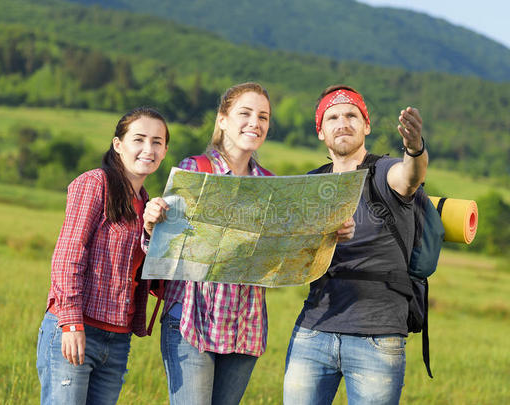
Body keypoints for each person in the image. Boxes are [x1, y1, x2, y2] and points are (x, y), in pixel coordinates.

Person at [143, 82, 355, 405]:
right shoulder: (196, 170)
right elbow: (166, 248)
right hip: (191, 320)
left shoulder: (269, 185)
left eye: (263, 117)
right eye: (245, 113)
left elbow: (287, 252)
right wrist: (151, 224)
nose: (255, 123)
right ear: (223, 120)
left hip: (245, 328)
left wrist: (331, 232)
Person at [283, 85, 428, 405]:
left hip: (377, 337)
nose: (343, 122)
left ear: (367, 125)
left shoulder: (384, 171)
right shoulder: (311, 183)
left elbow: (410, 177)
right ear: (320, 131)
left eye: (352, 115)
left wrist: (415, 148)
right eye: (332, 117)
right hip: (313, 330)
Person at [36, 107, 169, 405]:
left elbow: (144, 270)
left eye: (157, 142)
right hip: (77, 327)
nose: (148, 149)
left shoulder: (149, 204)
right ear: (118, 145)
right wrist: (71, 323)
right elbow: (69, 254)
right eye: (139, 139)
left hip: (118, 339)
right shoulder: (96, 183)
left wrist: (150, 230)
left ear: (165, 150)